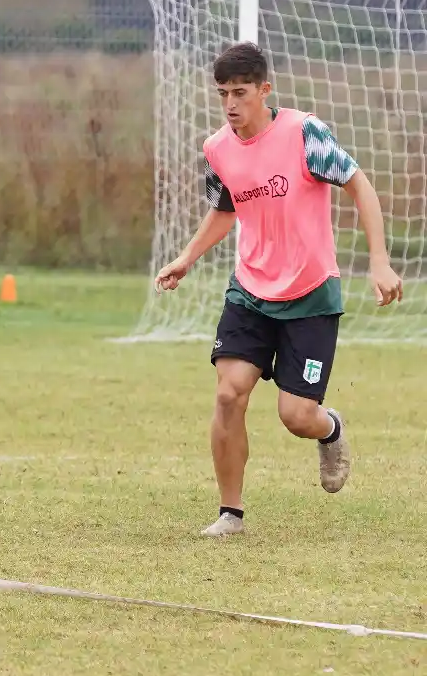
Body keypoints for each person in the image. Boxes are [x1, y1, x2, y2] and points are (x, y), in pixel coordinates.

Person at [155, 42, 402, 538]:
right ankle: (231, 514)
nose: (230, 104)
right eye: (222, 93)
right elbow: (226, 208)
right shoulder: (217, 148)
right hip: (250, 291)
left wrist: (379, 261)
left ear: (264, 89)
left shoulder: (304, 134)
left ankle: (330, 428)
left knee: (296, 415)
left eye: (240, 92)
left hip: (310, 295)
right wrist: (187, 257)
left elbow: (360, 185)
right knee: (229, 394)